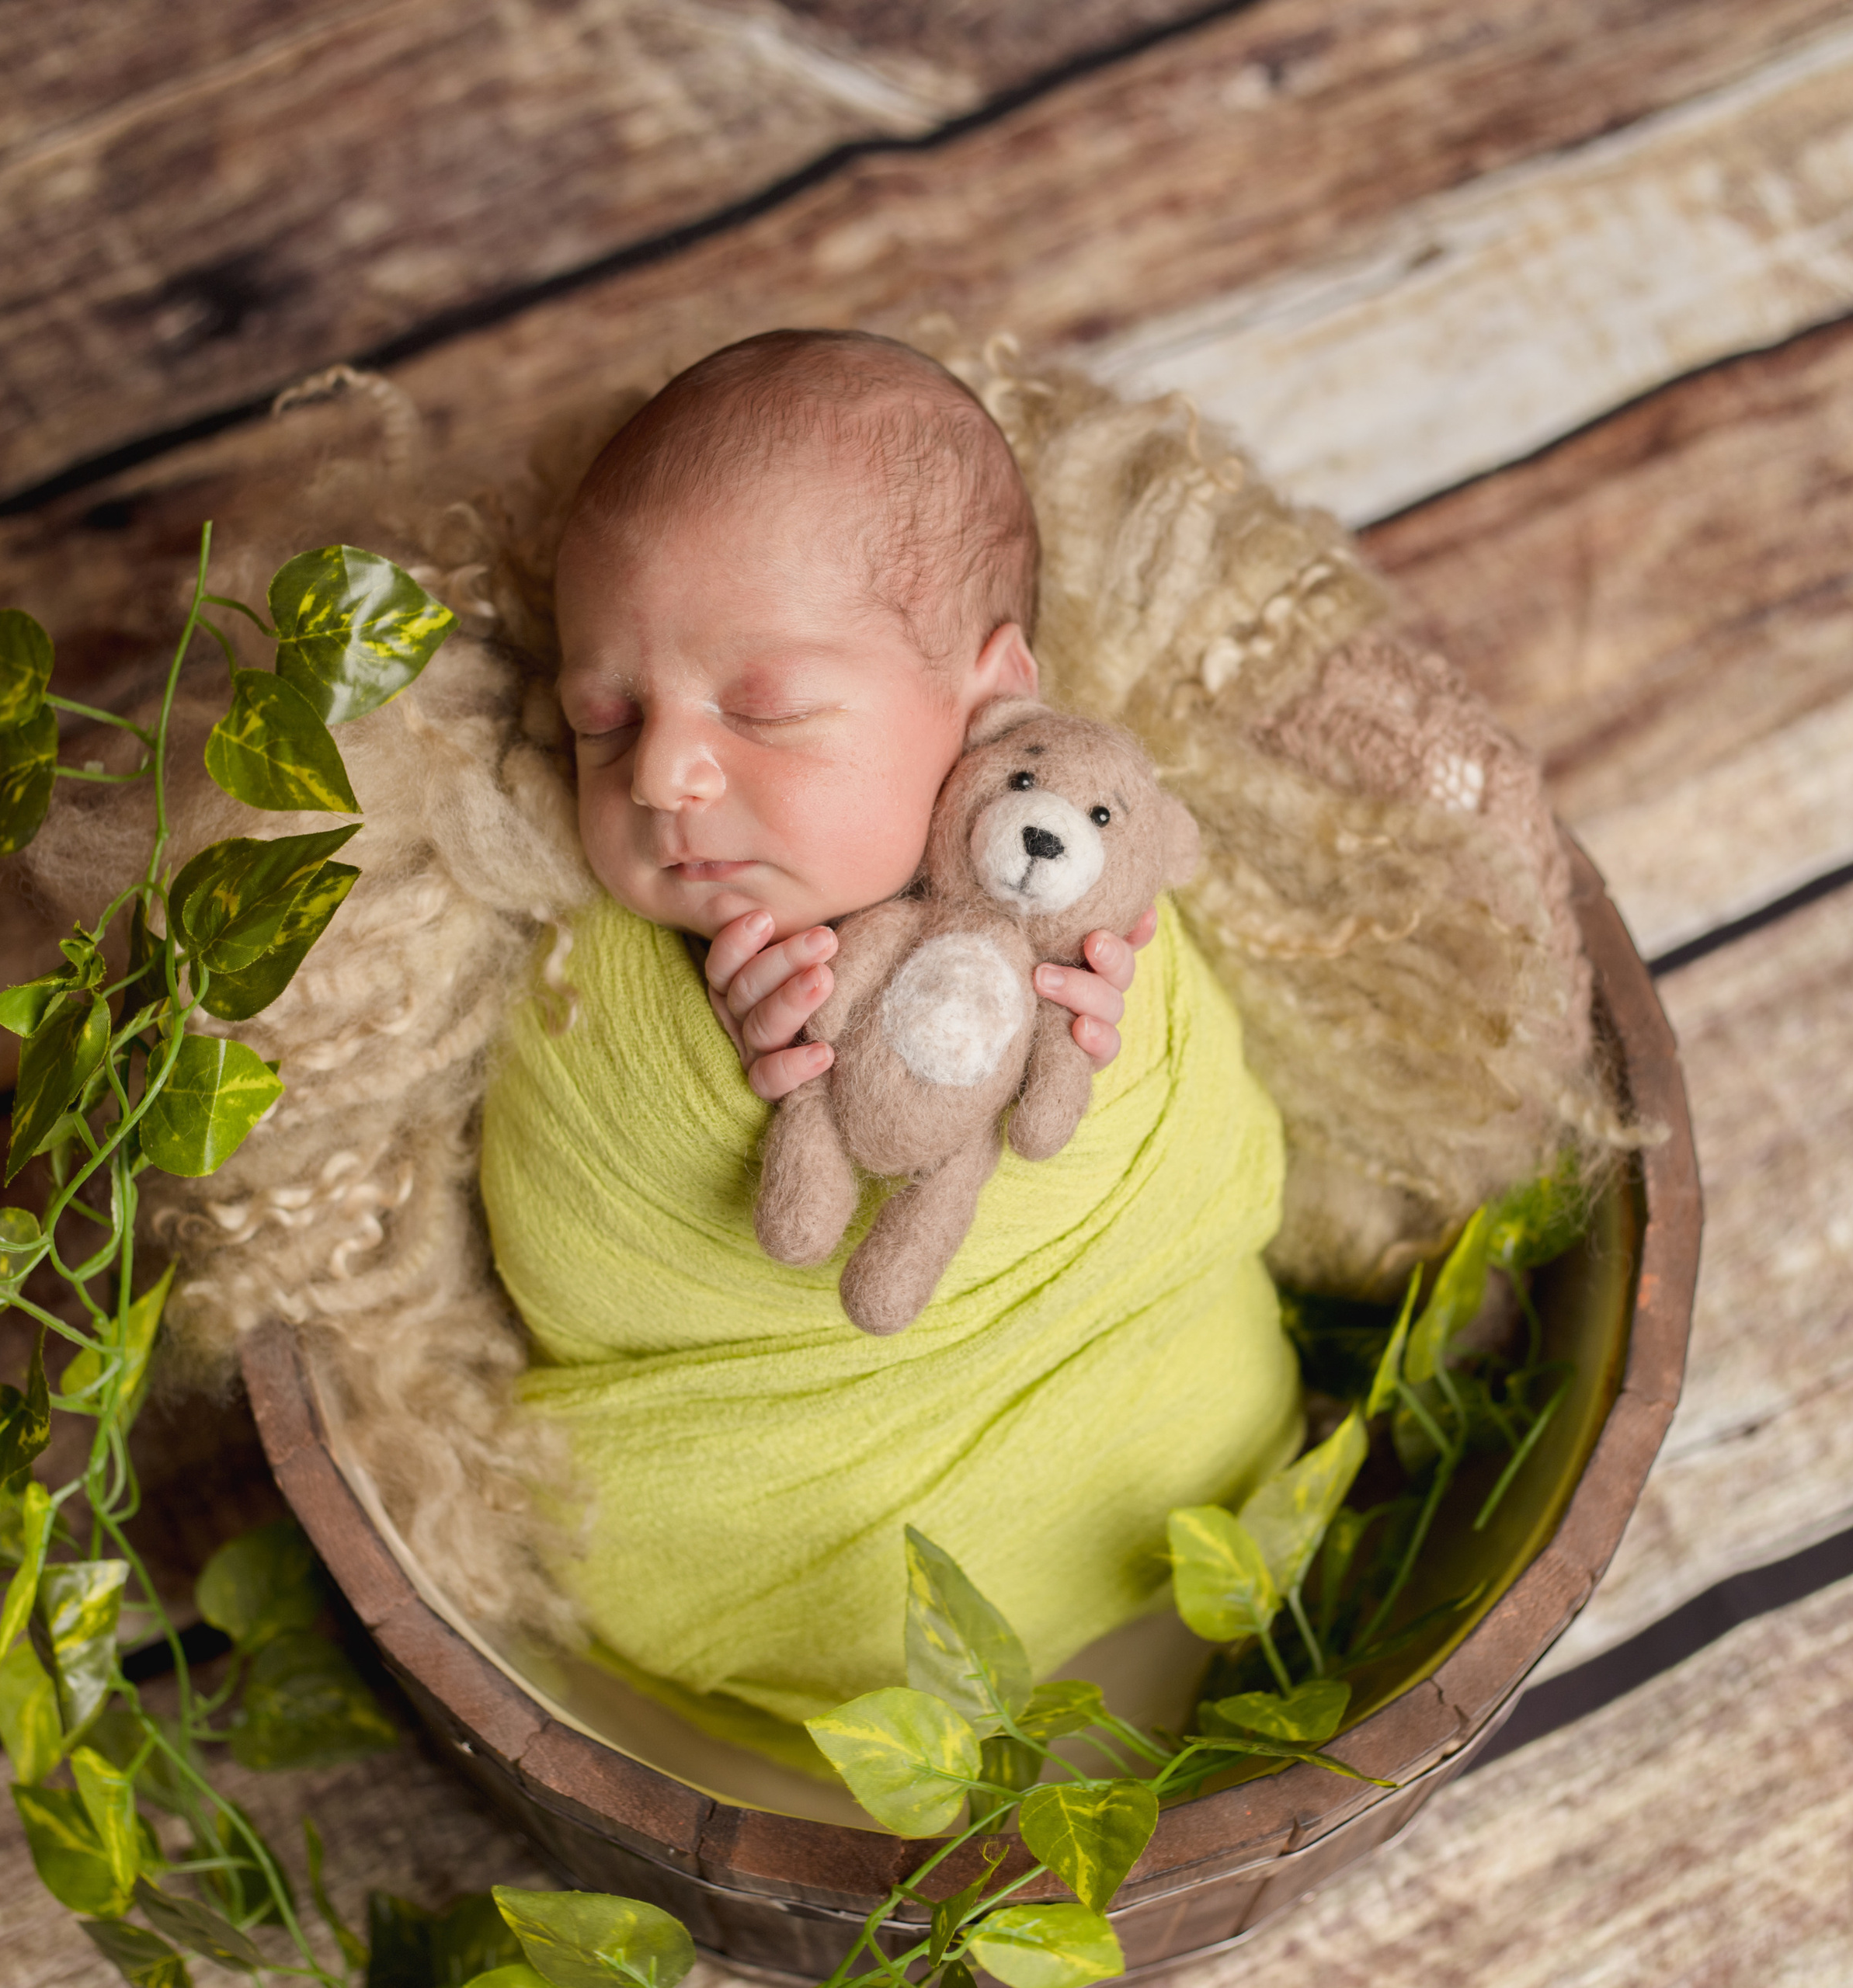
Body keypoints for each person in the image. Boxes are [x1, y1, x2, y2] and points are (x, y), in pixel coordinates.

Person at [479, 329, 1300, 1750]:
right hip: (765, 1538)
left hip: (1152, 1434)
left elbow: (1188, 1124)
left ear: (992, 704)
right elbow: (571, 1192)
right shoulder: (614, 950)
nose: (665, 775)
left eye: (766, 709)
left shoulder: (1075, 852)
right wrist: (716, 1067)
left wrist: (1103, 1029)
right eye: (605, 719)